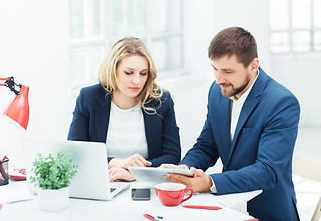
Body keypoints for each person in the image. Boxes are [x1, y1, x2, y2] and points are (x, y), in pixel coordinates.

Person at [161, 27, 300, 220]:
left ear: (253, 66)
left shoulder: (282, 103)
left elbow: (267, 171)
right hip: (228, 207)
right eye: (215, 69)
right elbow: (206, 146)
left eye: (227, 71)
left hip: (268, 211)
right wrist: (184, 170)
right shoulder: (218, 91)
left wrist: (209, 182)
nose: (219, 79)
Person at [67, 37, 181, 182]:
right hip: (102, 182)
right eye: (129, 72)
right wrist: (115, 162)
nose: (137, 81)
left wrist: (137, 173)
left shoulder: (161, 101)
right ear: (113, 71)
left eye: (143, 73)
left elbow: (172, 155)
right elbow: (74, 152)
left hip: (145, 184)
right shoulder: (88, 97)